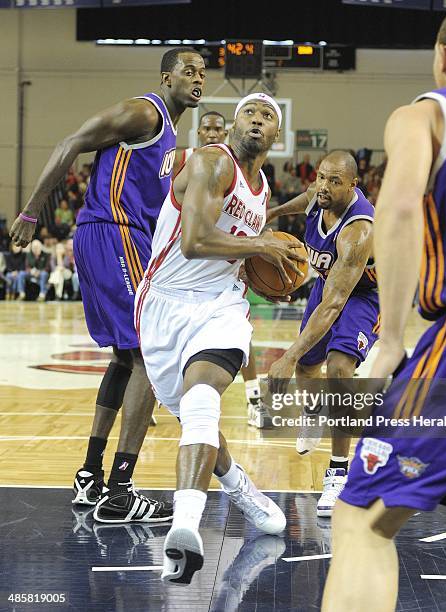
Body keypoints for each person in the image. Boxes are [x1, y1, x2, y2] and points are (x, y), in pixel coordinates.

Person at [321, 3, 446, 610]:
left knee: (362, 519)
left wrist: (391, 339)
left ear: (443, 56)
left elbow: (398, 210)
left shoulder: (425, 114)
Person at [10, 47, 206, 523]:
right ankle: (121, 489)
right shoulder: (144, 112)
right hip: (111, 232)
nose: (198, 77)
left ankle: (90, 475)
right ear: (166, 78)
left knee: (125, 355)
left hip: (119, 237)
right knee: (150, 349)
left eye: (203, 71)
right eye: (188, 70)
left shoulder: (173, 135)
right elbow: (71, 142)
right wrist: (32, 211)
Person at [136, 92, 306, 584]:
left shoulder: (262, 187)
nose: (258, 120)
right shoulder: (214, 163)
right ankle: (245, 493)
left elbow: (246, 256)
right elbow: (194, 243)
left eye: (268, 115)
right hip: (164, 303)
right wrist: (263, 246)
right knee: (195, 416)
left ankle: (184, 526)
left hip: (222, 307)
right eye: (250, 112)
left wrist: (270, 267)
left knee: (204, 401)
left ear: (278, 135)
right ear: (234, 124)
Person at [267, 151, 379, 517]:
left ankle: (338, 471)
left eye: (335, 181)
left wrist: (287, 355)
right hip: (327, 287)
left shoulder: (357, 231)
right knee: (308, 370)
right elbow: (307, 199)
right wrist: (271, 214)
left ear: (353, 185)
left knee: (338, 368)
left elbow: (334, 306)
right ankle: (314, 410)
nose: (324, 187)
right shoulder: (320, 195)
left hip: (363, 296)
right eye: (321, 178)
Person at [176, 110, 271, 428]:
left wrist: (250, 257)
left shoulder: (241, 171)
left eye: (218, 129)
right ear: (199, 133)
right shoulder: (188, 161)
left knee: (242, 337)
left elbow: (247, 227)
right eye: (207, 129)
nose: (213, 134)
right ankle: (162, 394)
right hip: (181, 278)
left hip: (222, 280)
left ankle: (255, 398)